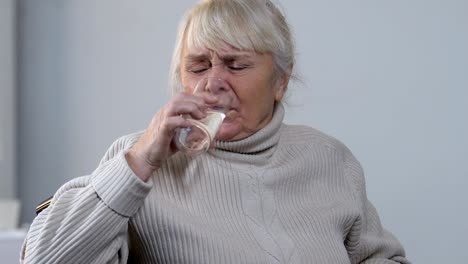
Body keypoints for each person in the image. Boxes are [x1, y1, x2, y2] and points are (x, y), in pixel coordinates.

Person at [21, 0, 410, 263]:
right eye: (198, 65)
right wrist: (139, 161)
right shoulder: (138, 160)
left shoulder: (328, 159)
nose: (213, 83)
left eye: (235, 65)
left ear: (280, 82)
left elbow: (381, 258)